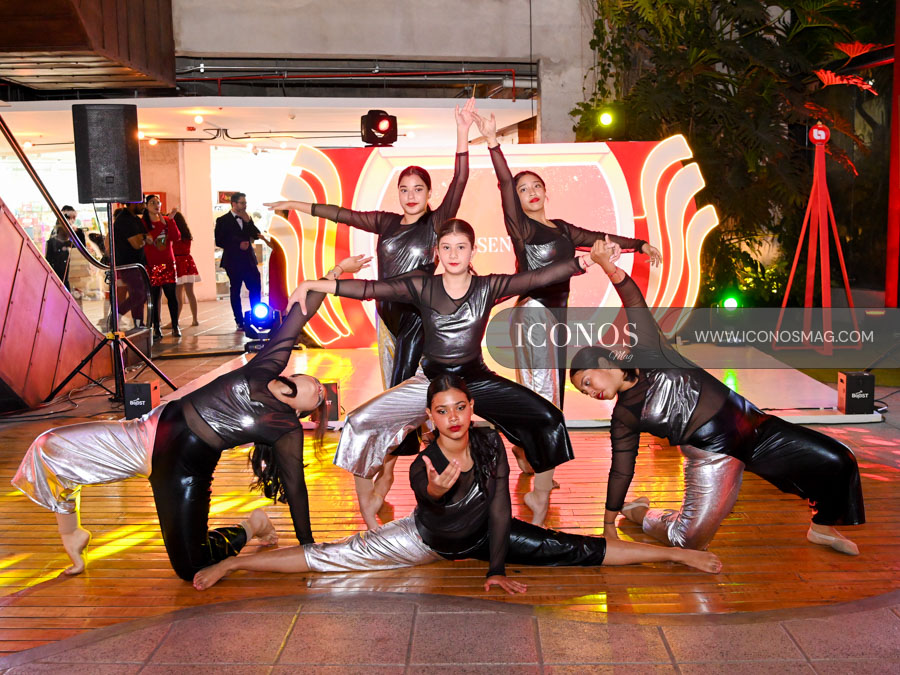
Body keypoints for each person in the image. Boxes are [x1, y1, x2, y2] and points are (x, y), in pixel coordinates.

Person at [12, 255, 370, 579]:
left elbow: (296, 489)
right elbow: (301, 312)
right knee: (48, 446)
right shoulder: (268, 364)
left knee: (190, 567)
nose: (319, 388)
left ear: (304, 411)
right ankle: (72, 533)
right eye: (317, 385)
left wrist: (307, 548)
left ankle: (252, 526)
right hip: (149, 433)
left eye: (321, 397)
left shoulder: (286, 429)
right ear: (297, 376)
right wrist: (336, 273)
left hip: (185, 470)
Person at [192, 374, 721, 592]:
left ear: (470, 410)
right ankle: (238, 558)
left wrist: (495, 568)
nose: (452, 418)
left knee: (580, 550)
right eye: (441, 411)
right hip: (424, 539)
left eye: (459, 408)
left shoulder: (490, 445)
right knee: (328, 557)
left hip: (489, 537)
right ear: (430, 418)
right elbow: (427, 498)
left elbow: (496, 508)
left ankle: (674, 555)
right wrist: (439, 491)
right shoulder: (424, 461)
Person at [289, 219, 599, 530]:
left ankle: (540, 497)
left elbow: (540, 276)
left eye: (461, 247)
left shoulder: (486, 286)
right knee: (359, 421)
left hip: (476, 378)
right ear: (437, 251)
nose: (453, 254)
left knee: (549, 418)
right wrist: (315, 284)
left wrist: (587, 260)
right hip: (430, 381)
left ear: (472, 252)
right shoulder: (422, 286)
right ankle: (368, 511)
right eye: (447, 247)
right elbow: (370, 289)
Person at [569, 239, 865, 555]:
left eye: (587, 381)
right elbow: (621, 469)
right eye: (584, 391)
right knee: (689, 541)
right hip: (712, 455)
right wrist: (608, 522)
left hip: (755, 428)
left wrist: (606, 265)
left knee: (840, 460)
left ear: (604, 361)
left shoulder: (650, 353)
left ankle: (821, 529)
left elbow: (633, 301)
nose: (590, 392)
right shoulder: (624, 416)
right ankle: (641, 513)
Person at [264, 99, 476, 500]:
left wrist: (463, 132)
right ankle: (410, 465)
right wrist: (295, 205)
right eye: (404, 189)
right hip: (386, 320)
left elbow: (461, 180)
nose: (411, 195)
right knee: (397, 396)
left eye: (419, 189)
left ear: (430, 193)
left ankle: (389, 473)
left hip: (417, 319)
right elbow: (341, 214)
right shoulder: (386, 223)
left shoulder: (436, 223)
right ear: (397, 194)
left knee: (399, 392)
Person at [473, 111, 663, 526]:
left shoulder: (560, 228)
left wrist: (640, 243)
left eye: (535, 185)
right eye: (523, 189)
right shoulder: (521, 227)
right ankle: (542, 477)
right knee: (547, 399)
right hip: (535, 315)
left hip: (555, 321)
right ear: (518, 200)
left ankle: (526, 452)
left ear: (545, 191)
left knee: (547, 393)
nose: (529, 191)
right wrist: (492, 143)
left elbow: (600, 239)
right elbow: (504, 182)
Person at [215, 192, 272, 330]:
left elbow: (255, 235)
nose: (245, 205)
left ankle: (256, 316)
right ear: (234, 204)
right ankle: (239, 320)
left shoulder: (247, 218)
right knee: (235, 290)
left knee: (255, 287)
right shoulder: (223, 220)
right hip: (233, 261)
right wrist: (237, 244)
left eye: (245, 203)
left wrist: (249, 221)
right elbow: (220, 240)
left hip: (248, 260)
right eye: (242, 203)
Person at [142, 195, 181, 339]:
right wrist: (162, 224)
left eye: (158, 203)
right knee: (154, 297)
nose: (156, 205)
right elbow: (149, 239)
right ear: (146, 206)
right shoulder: (143, 223)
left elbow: (176, 237)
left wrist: (169, 221)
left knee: (172, 296)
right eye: (152, 203)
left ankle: (175, 326)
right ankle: (156, 327)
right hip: (152, 264)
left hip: (168, 264)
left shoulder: (166, 220)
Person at [111, 201, 149, 329]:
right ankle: (115, 317)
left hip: (138, 263)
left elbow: (146, 238)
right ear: (133, 203)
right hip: (128, 264)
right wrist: (143, 238)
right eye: (142, 203)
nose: (144, 206)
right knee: (139, 294)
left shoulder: (135, 219)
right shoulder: (124, 220)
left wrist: (142, 237)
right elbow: (136, 244)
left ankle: (138, 323)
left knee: (139, 295)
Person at [170, 207, 201, 327]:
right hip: (188, 261)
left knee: (178, 295)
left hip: (178, 262)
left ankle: (175, 320)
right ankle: (195, 319)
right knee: (190, 293)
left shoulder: (174, 234)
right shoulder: (186, 234)